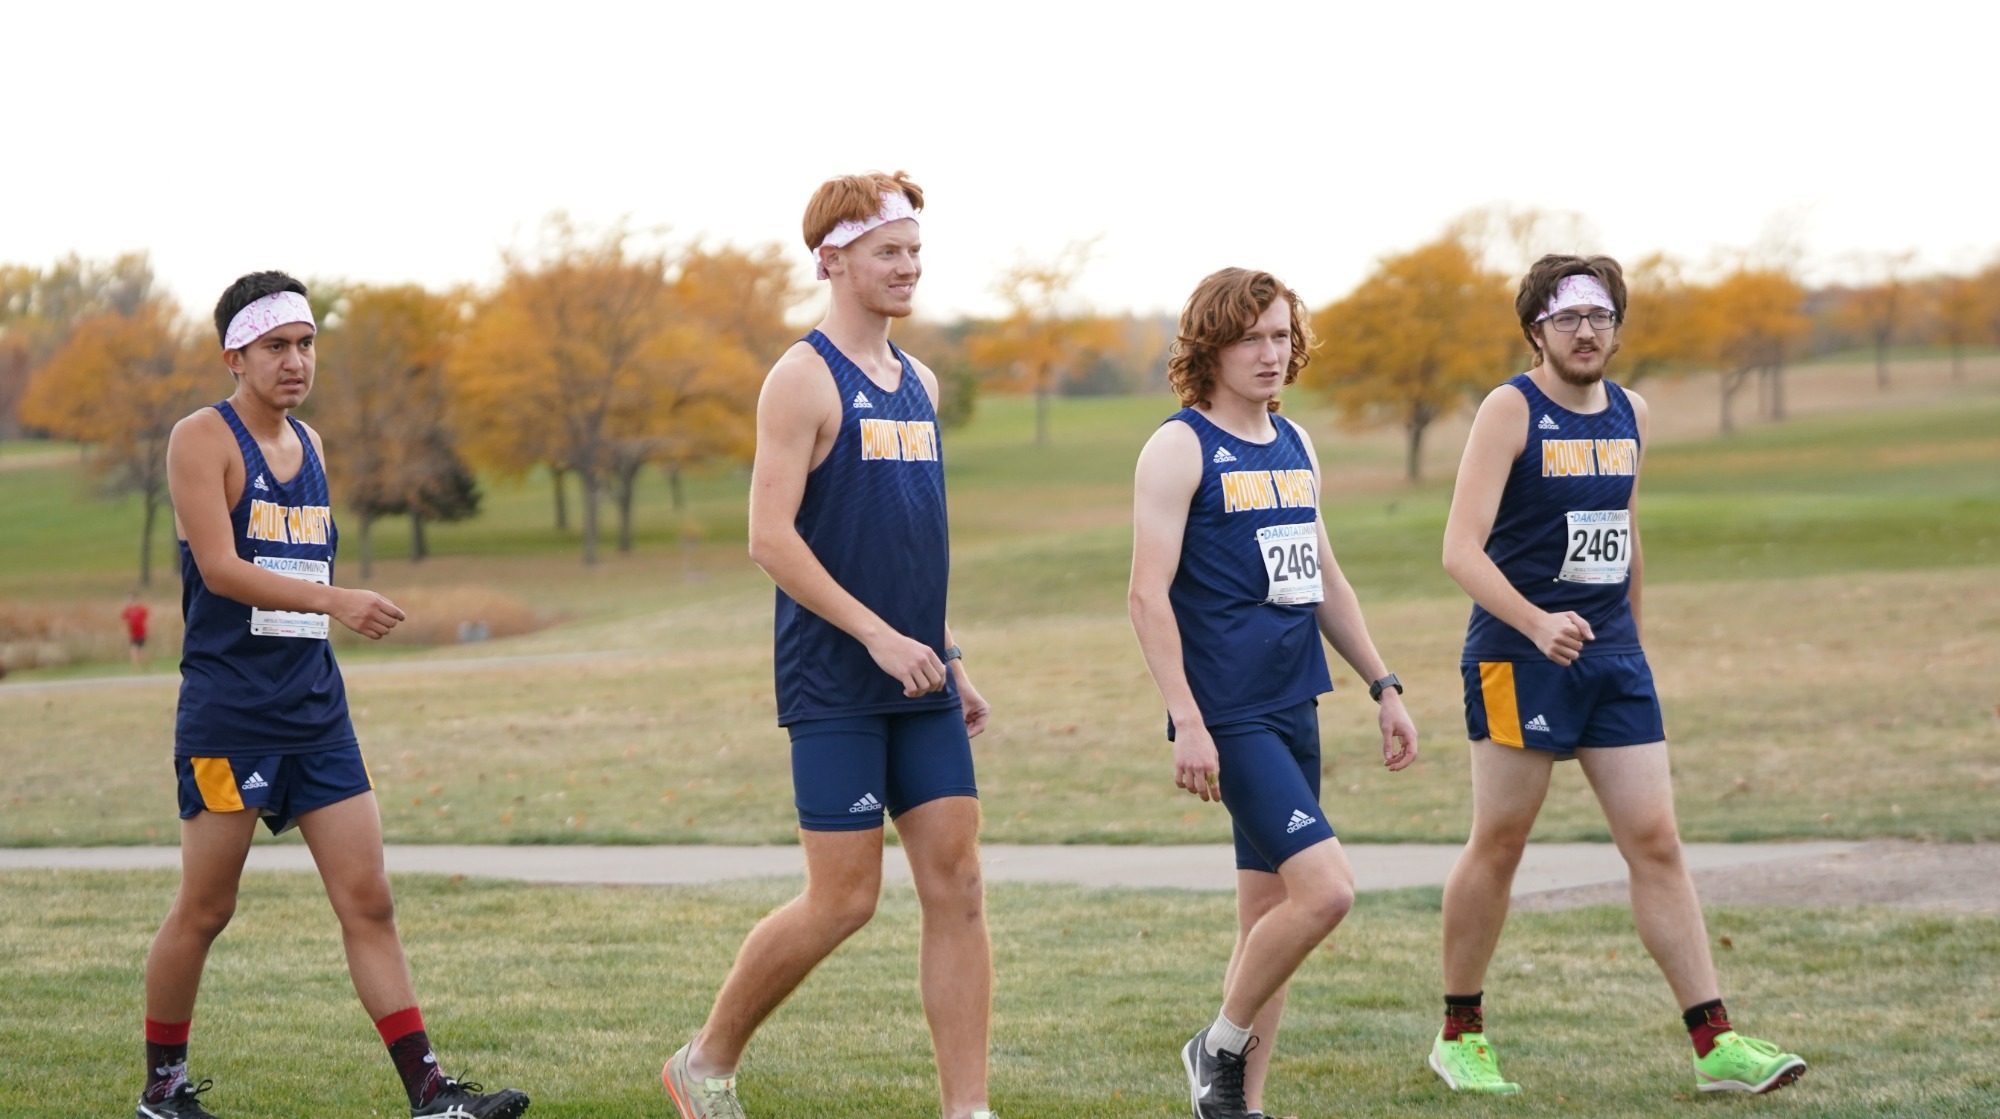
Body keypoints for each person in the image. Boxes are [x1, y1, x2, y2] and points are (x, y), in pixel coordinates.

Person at [137, 271, 529, 1119]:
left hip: (316, 707)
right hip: (231, 713)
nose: (295, 360)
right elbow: (221, 569)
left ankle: (430, 1091)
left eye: (307, 343)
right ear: (234, 354)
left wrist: (328, 602)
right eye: (276, 345)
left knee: (370, 898)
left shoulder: (309, 444)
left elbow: (294, 564)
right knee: (207, 906)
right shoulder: (200, 438)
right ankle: (162, 1088)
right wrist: (336, 599)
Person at [660, 173, 996, 1119]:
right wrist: (879, 637)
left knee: (959, 881)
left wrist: (946, 651)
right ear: (832, 258)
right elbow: (770, 538)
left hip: (919, 674)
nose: (909, 267)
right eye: (890, 250)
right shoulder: (800, 378)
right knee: (845, 898)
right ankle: (705, 1059)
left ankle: (966, 1107)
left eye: (916, 250)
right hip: (837, 679)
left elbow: (906, 542)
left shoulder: (922, 384)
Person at [1429, 254, 1806, 1096]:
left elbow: (1625, 528)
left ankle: (1716, 1043)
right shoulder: (1509, 410)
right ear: (1537, 329)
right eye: (1568, 319)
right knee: (1501, 841)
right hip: (1514, 653)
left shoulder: (1631, 411)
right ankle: (1460, 1033)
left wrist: (1630, 634)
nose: (1587, 332)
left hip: (1611, 656)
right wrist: (1536, 621)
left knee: (1656, 839)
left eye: (1600, 317)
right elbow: (1459, 547)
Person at [1129, 267, 1418, 1119]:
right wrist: (1187, 718)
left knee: (1268, 921)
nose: (1269, 352)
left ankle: (1238, 1107)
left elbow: (1324, 578)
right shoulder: (1179, 446)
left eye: (1281, 336)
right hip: (1230, 713)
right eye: (1251, 336)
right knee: (1325, 892)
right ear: (1210, 346)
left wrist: (1384, 683)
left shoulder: (1295, 444)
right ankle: (1213, 1045)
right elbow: (1147, 595)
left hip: (1297, 705)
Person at [123, 591, 151, 669]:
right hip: (133, 633)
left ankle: (147, 666)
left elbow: (147, 620)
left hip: (141, 632)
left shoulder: (141, 609)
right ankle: (135, 668)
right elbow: (126, 621)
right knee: (134, 650)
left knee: (141, 651)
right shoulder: (127, 611)